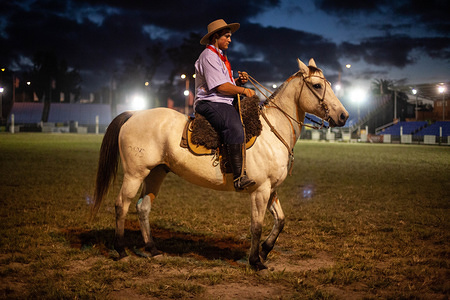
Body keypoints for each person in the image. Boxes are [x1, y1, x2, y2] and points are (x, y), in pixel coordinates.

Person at [194, 19, 256, 191]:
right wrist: (243, 91)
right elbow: (220, 87)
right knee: (235, 127)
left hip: (220, 99)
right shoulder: (208, 56)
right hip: (210, 101)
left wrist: (238, 82)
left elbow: (225, 82)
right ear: (216, 37)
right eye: (227, 36)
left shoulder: (220, 57)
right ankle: (238, 177)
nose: (230, 40)